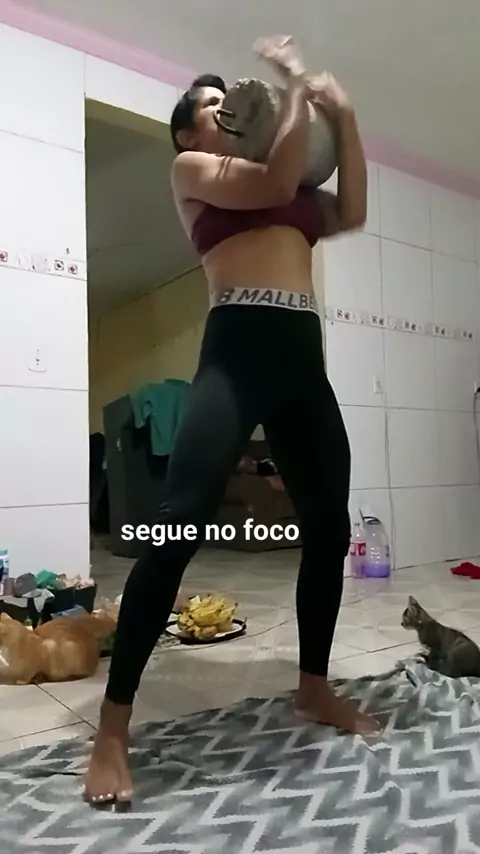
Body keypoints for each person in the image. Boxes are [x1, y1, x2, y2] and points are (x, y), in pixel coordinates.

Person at [84, 34, 380, 807]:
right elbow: (278, 173)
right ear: (189, 133)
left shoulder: (288, 188)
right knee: (177, 529)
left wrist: (346, 118)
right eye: (212, 108)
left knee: (328, 528)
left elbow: (351, 209)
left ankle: (313, 686)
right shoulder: (194, 173)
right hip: (234, 355)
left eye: (229, 104)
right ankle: (112, 729)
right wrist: (294, 87)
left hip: (301, 362)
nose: (225, 114)